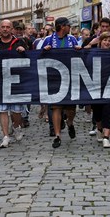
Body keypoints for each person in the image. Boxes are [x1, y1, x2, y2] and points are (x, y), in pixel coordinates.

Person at [0, 19, 27, 148]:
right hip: (0, 82)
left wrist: (23, 50)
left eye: (8, 27)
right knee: (2, 110)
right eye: (3, 27)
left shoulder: (19, 42)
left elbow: (29, 58)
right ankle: (5, 136)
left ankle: (17, 127)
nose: (5, 29)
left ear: (12, 29)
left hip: (16, 82)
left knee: (16, 111)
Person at [42, 17, 82, 148]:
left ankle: (70, 123)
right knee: (56, 107)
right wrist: (45, 50)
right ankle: (57, 135)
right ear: (62, 26)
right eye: (68, 25)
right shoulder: (49, 40)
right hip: (55, 78)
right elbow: (39, 57)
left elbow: (80, 56)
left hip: (70, 77)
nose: (70, 27)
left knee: (71, 108)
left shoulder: (72, 39)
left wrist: (79, 50)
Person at [86, 31, 110, 148]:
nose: (107, 43)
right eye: (105, 40)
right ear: (100, 42)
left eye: (109, 41)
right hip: (96, 87)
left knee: (108, 112)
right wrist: (89, 44)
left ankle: (106, 137)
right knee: (98, 113)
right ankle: (99, 128)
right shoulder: (93, 53)